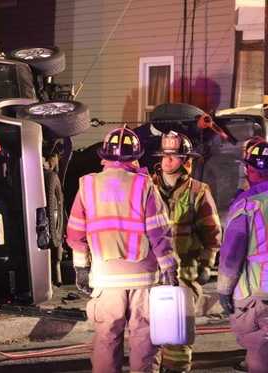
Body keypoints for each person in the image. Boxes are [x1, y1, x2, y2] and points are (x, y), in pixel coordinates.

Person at [66, 126, 179, 373]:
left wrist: (80, 268)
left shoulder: (87, 186)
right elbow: (159, 232)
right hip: (143, 279)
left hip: (106, 280)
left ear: (103, 156)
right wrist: (170, 268)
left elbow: (75, 233)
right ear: (136, 157)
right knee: (144, 339)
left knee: (106, 338)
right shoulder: (144, 185)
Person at [152, 131, 222, 373]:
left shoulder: (198, 191)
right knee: (150, 336)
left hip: (184, 273)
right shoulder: (146, 187)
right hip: (153, 274)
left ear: (186, 161)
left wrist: (206, 264)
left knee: (178, 336)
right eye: (165, 155)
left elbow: (212, 233)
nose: (167, 160)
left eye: (174, 156)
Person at [217, 139, 268, 373]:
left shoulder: (247, 205)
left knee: (259, 345)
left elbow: (231, 256)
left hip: (258, 292)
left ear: (250, 169)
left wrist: (224, 290)